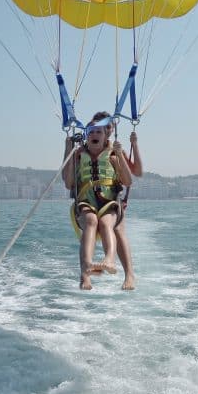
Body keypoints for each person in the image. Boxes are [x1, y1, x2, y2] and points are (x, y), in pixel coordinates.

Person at [62, 115, 132, 290]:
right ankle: (86, 272)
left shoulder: (113, 155)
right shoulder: (78, 156)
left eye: (98, 131)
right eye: (90, 131)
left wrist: (120, 157)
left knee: (106, 222)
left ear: (105, 135)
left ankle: (109, 259)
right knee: (91, 221)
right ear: (86, 136)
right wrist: (68, 151)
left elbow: (128, 181)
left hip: (109, 201)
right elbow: (68, 183)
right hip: (86, 202)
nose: (94, 134)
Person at [90, 112, 142, 290]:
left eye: (110, 127)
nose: (108, 130)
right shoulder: (87, 148)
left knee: (116, 229)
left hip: (113, 199)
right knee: (91, 223)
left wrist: (134, 145)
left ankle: (129, 275)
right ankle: (102, 265)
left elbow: (137, 172)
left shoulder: (116, 149)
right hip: (90, 199)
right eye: (105, 127)